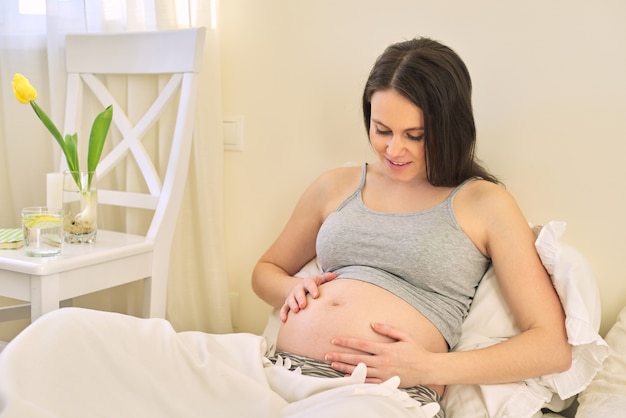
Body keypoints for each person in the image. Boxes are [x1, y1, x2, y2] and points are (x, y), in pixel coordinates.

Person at [251, 37, 572, 416]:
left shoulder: (485, 204)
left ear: (450, 128)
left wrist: (430, 367)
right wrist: (294, 288)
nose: (394, 150)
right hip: (278, 371)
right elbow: (265, 272)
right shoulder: (335, 185)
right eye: (381, 130)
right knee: (162, 347)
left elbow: (552, 347)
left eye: (415, 136)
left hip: (377, 394)